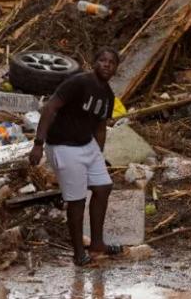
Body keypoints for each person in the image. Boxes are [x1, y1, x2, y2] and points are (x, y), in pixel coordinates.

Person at [28, 47, 122, 266]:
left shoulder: (107, 95)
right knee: (77, 200)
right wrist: (38, 144)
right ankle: (79, 253)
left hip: (87, 145)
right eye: (102, 60)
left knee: (103, 187)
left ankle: (97, 243)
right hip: (63, 146)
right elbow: (50, 108)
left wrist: (98, 153)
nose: (107, 64)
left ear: (116, 68)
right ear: (94, 62)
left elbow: (100, 127)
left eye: (111, 62)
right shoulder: (79, 82)